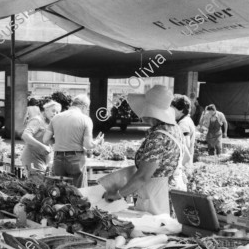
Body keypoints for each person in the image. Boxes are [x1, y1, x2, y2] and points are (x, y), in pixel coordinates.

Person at [103, 85, 184, 215]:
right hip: (168, 189)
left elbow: (143, 176)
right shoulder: (174, 129)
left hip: (153, 194)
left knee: (151, 228)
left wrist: (117, 194)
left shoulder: (158, 137)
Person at [43, 95, 102, 188]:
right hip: (76, 159)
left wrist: (59, 141)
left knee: (58, 191)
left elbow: (45, 139)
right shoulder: (85, 119)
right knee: (77, 192)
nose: (86, 111)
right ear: (84, 106)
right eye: (87, 109)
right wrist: (97, 141)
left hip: (58, 158)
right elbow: (88, 145)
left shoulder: (56, 117)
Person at [21, 106, 51, 178]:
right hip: (33, 158)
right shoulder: (37, 120)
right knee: (37, 186)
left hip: (41, 160)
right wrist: (42, 146)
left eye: (57, 112)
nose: (55, 113)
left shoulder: (48, 123)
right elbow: (25, 135)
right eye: (53, 111)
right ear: (46, 110)